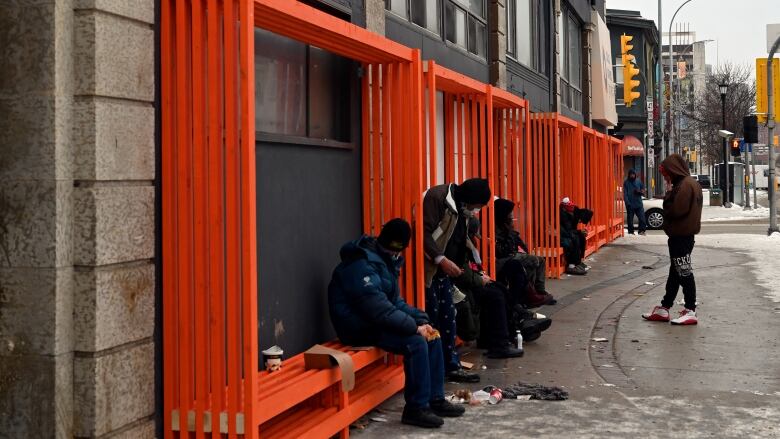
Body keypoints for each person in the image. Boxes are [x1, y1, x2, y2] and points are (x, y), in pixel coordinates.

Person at [328, 218, 465, 428]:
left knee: (432, 335)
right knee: (416, 342)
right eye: (397, 250)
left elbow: (394, 303)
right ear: (392, 247)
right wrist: (414, 327)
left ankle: (435, 399)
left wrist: (421, 319)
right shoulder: (361, 265)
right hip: (357, 328)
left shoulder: (383, 260)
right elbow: (378, 309)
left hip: (374, 322)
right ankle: (415, 409)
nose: (398, 255)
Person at [423, 178, 491, 383]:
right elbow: (424, 233)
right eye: (477, 206)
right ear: (471, 200)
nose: (476, 211)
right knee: (434, 319)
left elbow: (461, 240)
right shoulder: (439, 198)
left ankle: (450, 365)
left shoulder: (461, 208)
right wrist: (440, 259)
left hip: (446, 272)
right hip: (432, 270)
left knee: (447, 317)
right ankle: (437, 367)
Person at [642, 154, 703, 325]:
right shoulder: (690, 184)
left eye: (667, 173)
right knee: (676, 273)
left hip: (680, 236)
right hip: (683, 236)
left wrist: (668, 195)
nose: (666, 177)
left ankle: (690, 310)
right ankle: (665, 307)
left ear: (674, 170)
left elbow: (675, 210)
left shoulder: (683, 186)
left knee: (683, 272)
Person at [494, 198, 556, 307]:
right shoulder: (497, 227)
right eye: (509, 212)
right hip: (503, 257)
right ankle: (530, 295)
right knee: (531, 261)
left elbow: (518, 241)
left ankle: (539, 291)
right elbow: (501, 249)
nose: (512, 215)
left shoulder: (506, 225)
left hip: (511, 254)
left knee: (540, 260)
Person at [560, 197, 589, 275]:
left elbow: (570, 229)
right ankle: (571, 266)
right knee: (574, 239)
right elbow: (566, 231)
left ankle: (578, 262)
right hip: (562, 235)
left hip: (566, 233)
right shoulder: (563, 215)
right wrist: (578, 232)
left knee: (580, 237)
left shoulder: (571, 213)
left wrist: (579, 232)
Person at [623, 169, 647, 235]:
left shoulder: (638, 181)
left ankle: (641, 231)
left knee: (642, 218)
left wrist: (640, 192)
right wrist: (627, 203)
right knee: (630, 219)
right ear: (629, 175)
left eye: (633, 174)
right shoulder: (626, 182)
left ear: (635, 174)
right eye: (631, 174)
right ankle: (631, 231)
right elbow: (625, 194)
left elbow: (643, 190)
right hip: (630, 204)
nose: (632, 175)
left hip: (639, 204)